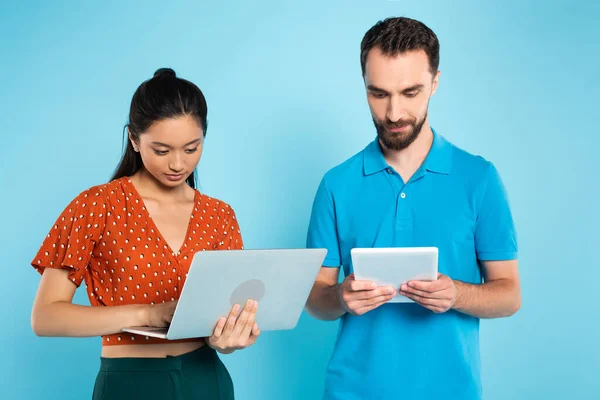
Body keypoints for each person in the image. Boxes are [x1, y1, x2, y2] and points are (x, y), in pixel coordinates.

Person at [305, 17, 521, 400]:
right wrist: (340, 297)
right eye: (379, 93)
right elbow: (314, 299)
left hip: (451, 391)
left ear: (435, 83)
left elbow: (508, 295)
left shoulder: (479, 178)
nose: (393, 113)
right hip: (351, 391)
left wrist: (457, 293)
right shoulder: (336, 184)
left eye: (410, 92)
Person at [30, 68, 260, 400]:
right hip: (129, 382)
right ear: (134, 140)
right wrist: (146, 314)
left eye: (192, 148)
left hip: (207, 379)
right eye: (162, 151)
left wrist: (227, 339)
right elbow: (45, 317)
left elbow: (222, 318)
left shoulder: (219, 215)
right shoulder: (98, 205)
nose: (178, 164)